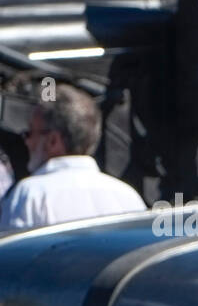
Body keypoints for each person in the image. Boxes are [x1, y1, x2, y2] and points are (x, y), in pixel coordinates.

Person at [0, 84, 145, 230]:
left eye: (30, 133)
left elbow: (10, 252)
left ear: (53, 141)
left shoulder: (29, 196)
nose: (26, 141)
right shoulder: (128, 197)